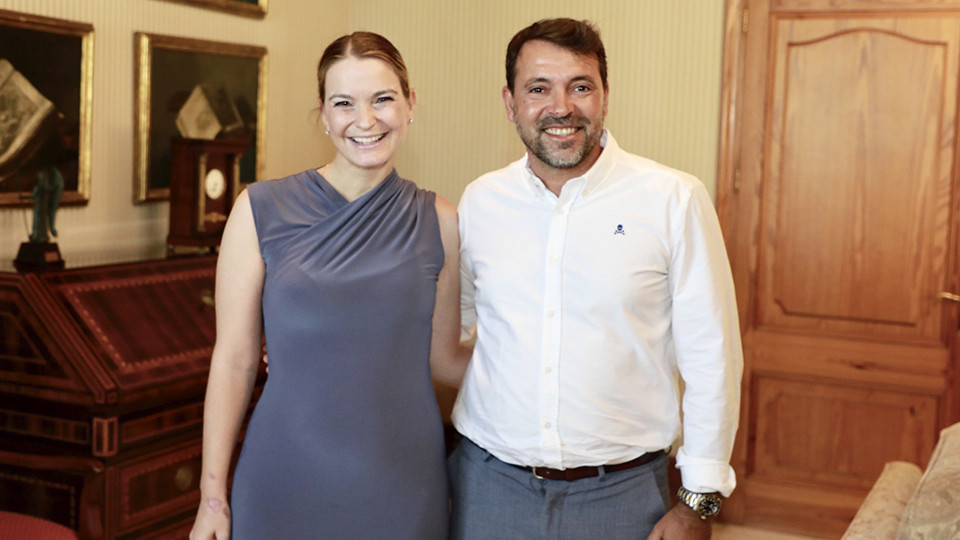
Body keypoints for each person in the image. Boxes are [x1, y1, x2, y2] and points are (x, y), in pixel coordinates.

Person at [448, 18, 743, 540]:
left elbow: (712, 358)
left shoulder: (673, 199)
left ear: (605, 96)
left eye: (579, 86)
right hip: (487, 488)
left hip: (624, 496)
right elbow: (460, 327)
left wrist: (699, 501)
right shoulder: (481, 201)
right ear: (510, 102)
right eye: (539, 88)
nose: (561, 107)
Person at [189, 31, 467, 540]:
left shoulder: (440, 221)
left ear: (410, 104)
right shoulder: (258, 209)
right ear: (323, 114)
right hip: (283, 478)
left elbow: (445, 361)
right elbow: (233, 360)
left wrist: (544, 361)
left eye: (383, 99)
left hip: (404, 486)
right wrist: (213, 498)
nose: (365, 121)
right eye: (344, 103)